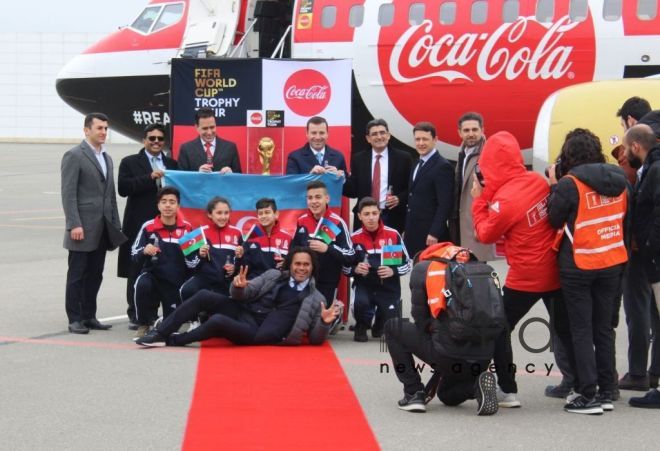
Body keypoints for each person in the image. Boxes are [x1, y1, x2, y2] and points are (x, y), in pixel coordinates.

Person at [471, 131, 575, 409]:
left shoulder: (503, 201)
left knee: (498, 328)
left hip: (527, 276)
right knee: (567, 330)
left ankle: (507, 388)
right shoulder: (536, 181)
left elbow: (485, 234)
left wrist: (479, 200)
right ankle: (584, 385)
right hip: (555, 269)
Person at [548, 129, 628, 414]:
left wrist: (554, 185)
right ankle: (608, 389)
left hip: (579, 263)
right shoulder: (619, 179)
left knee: (581, 330)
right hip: (611, 260)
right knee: (603, 328)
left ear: (568, 155)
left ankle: (588, 393)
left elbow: (553, 218)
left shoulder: (570, 184)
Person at [135, 247, 342, 347]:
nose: (301, 268)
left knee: (217, 321)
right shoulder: (274, 275)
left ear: (313, 267)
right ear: (290, 264)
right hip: (245, 311)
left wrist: (324, 323)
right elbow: (247, 294)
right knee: (205, 295)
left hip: (258, 332)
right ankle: (161, 333)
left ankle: (174, 340)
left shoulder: (317, 298)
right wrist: (239, 288)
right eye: (297, 264)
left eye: (306, 265)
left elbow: (315, 340)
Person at [383, 249, 498, 416]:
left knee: (392, 327)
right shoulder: (476, 268)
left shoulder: (423, 269)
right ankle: (475, 387)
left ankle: (413, 393)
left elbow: (420, 319)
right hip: (482, 357)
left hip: (448, 353)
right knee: (446, 396)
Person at [61, 112, 126, 334]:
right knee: (77, 274)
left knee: (96, 274)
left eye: (106, 128)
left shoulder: (106, 158)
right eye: (99, 128)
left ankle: (89, 315)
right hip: (82, 227)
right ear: (86, 130)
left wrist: (115, 224)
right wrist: (74, 224)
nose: (103, 132)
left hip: (103, 228)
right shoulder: (74, 155)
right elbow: (68, 194)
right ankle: (75, 318)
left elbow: (110, 195)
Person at [117, 123, 178, 329]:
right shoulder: (130, 162)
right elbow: (123, 188)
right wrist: (149, 177)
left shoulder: (173, 164)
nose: (156, 142)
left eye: (160, 139)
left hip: (167, 225)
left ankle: (158, 312)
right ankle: (136, 313)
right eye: (152, 138)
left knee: (164, 266)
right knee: (136, 266)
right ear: (144, 140)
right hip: (138, 224)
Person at [623, 123, 660, 408]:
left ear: (636, 145)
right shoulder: (651, 167)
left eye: (626, 149)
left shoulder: (656, 169)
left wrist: (648, 245)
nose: (624, 154)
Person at [344, 197, 411, 342]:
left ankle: (380, 323)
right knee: (361, 303)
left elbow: (408, 263)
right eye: (366, 214)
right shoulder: (354, 238)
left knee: (393, 330)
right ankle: (362, 325)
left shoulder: (393, 235)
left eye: (374, 213)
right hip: (364, 285)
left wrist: (394, 271)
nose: (371, 218)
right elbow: (344, 267)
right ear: (359, 216)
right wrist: (355, 269)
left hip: (388, 287)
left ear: (379, 213)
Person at [131, 187, 192, 337]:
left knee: (169, 329)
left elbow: (193, 260)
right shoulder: (148, 227)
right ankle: (144, 323)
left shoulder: (187, 228)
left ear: (178, 206)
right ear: (158, 205)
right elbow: (134, 254)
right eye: (163, 202)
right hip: (153, 275)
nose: (168, 205)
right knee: (141, 284)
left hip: (175, 281)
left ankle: (169, 319)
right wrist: (145, 250)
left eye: (172, 202)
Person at [343, 119, 412, 233]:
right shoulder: (359, 159)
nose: (379, 137)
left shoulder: (404, 158)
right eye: (374, 134)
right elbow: (354, 191)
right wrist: (341, 179)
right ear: (368, 138)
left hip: (392, 217)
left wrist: (399, 199)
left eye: (382, 132)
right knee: (363, 250)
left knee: (391, 250)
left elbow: (411, 188)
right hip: (365, 217)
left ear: (388, 135)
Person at [292, 180, 354, 306]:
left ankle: (336, 313)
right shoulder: (301, 221)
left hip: (328, 282)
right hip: (303, 279)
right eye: (310, 198)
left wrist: (328, 248)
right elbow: (293, 248)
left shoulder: (337, 222)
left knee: (321, 320)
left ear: (327, 198)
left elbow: (350, 255)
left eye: (318, 197)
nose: (314, 201)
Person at [448, 112, 496, 261]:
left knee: (479, 272)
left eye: (474, 130)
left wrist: (484, 224)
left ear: (482, 130)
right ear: (460, 133)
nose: (471, 134)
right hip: (460, 224)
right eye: (466, 130)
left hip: (478, 224)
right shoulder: (461, 153)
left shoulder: (489, 154)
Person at [404, 121, 454, 258]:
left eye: (425, 139)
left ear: (435, 140)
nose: (421, 143)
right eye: (417, 139)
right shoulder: (417, 163)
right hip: (413, 232)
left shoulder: (442, 166)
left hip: (430, 236)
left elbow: (445, 204)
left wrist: (435, 232)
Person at [179, 197, 243, 301]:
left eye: (226, 213)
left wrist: (235, 267)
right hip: (205, 278)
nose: (223, 217)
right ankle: (196, 316)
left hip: (227, 281)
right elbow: (189, 264)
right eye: (219, 213)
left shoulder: (237, 232)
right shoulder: (200, 233)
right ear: (210, 214)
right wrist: (200, 255)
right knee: (187, 290)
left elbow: (242, 260)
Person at [239, 198, 293, 279]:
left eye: (267, 212)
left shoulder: (288, 238)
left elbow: (293, 265)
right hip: (256, 285)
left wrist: (287, 263)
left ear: (276, 214)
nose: (263, 216)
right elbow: (245, 267)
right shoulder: (251, 237)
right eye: (260, 213)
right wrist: (240, 257)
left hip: (278, 284)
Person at [177, 107, 242, 173]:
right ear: (197, 127)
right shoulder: (186, 149)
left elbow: (239, 177)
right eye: (205, 128)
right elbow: (181, 179)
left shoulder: (230, 148)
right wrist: (197, 175)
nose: (209, 132)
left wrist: (232, 174)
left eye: (212, 127)